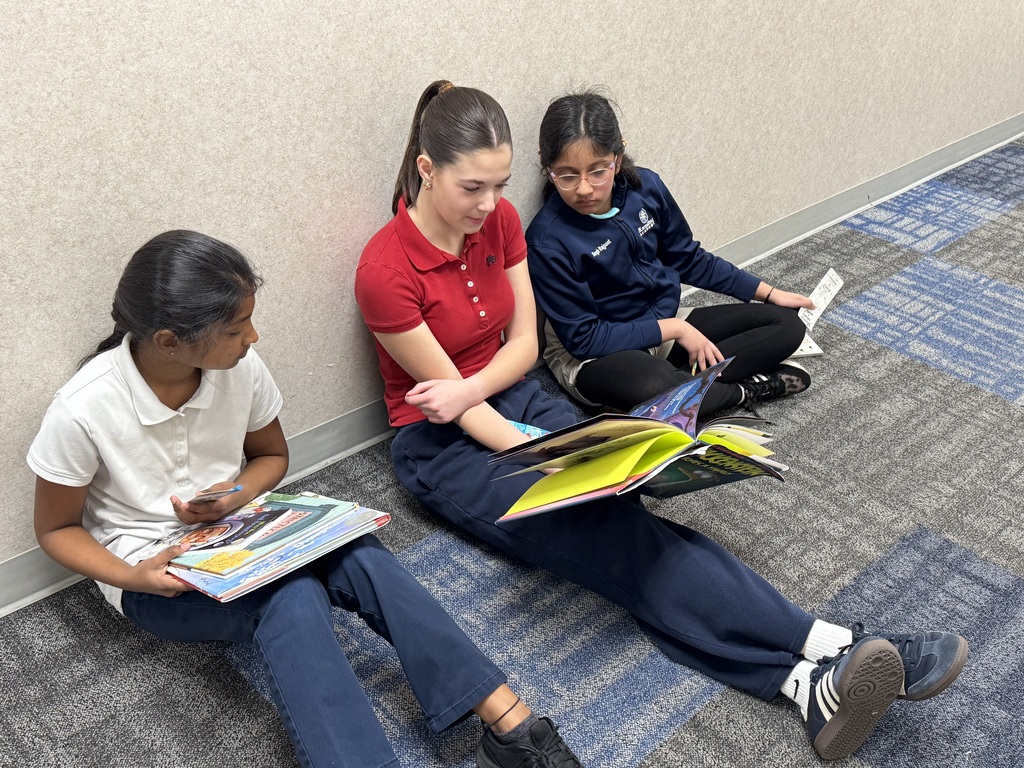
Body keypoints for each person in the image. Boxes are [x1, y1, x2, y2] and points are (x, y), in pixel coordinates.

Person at [354, 80, 969, 761]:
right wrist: (546, 452)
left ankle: (804, 684)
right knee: (613, 537)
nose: (493, 206)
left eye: (500, 185)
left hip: (513, 395)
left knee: (629, 516)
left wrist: (530, 420)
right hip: (445, 447)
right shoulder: (384, 270)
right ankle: (827, 649)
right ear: (427, 169)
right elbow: (462, 413)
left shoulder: (495, 223)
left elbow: (524, 347)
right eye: (473, 187)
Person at [28, 230, 582, 768]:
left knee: (359, 552)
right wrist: (134, 577)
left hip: (238, 532)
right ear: (170, 341)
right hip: (153, 573)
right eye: (237, 327)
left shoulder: (238, 368)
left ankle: (510, 723)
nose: (253, 338)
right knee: (291, 599)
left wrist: (234, 497)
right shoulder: (83, 407)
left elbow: (271, 456)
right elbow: (56, 530)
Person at [525, 90, 815, 419]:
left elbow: (688, 258)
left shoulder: (646, 188)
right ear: (546, 165)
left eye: (597, 171)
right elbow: (584, 338)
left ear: (617, 156)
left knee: (786, 325)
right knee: (653, 382)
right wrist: (677, 330)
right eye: (566, 175)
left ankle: (682, 392)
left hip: (660, 326)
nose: (584, 188)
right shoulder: (547, 240)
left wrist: (769, 292)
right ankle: (741, 391)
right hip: (595, 353)